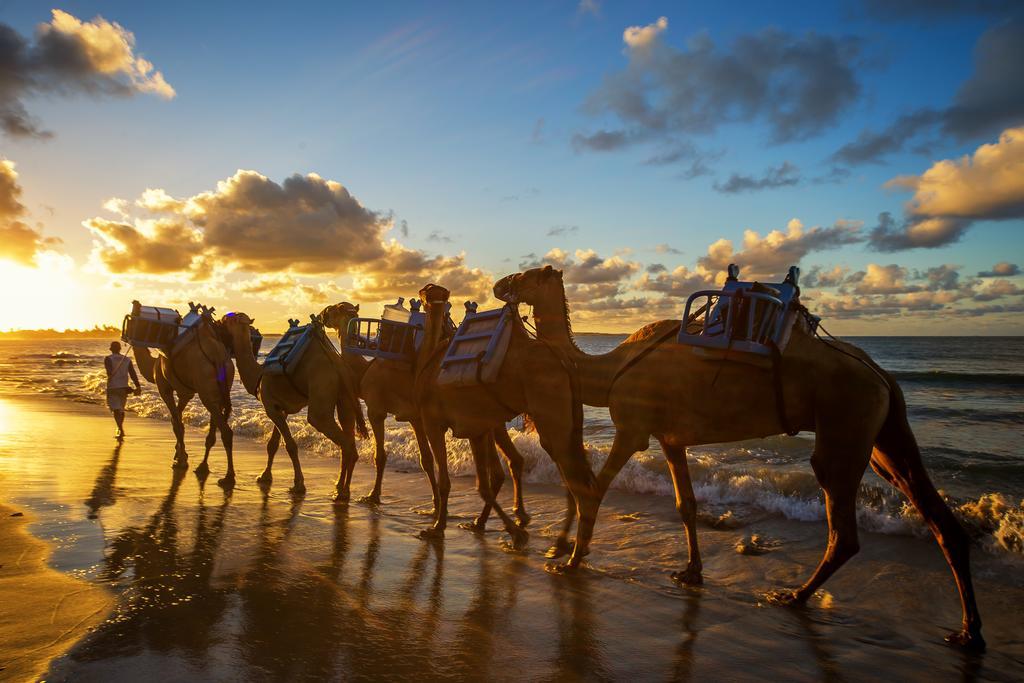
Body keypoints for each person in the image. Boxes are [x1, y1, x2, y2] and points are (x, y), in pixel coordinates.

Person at [105, 341, 141, 439]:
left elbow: (109, 372)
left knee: (116, 410)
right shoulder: (127, 360)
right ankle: (120, 428)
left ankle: (120, 428)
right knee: (121, 409)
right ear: (120, 349)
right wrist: (138, 386)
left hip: (113, 387)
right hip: (124, 387)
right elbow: (133, 374)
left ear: (111, 349)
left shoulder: (108, 359)